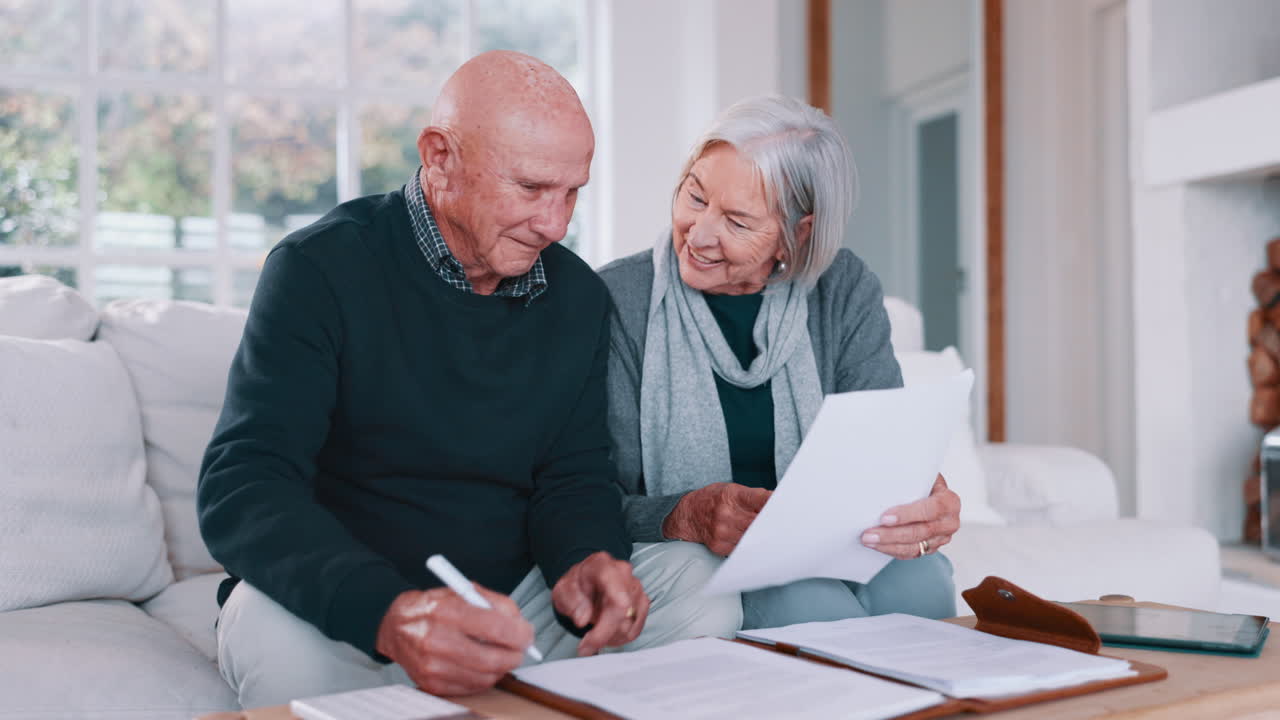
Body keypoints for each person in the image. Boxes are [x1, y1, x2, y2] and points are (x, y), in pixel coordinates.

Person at [198, 51, 740, 709]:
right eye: (531, 188)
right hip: (357, 610)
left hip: (512, 612)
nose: (556, 224)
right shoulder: (319, 268)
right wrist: (390, 614)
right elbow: (243, 487)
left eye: (572, 192)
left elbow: (572, 475)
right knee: (271, 633)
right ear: (440, 158)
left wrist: (586, 560)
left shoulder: (576, 296)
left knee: (698, 581)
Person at [598, 95, 962, 630]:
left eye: (737, 222)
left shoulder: (843, 289)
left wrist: (922, 500)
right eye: (694, 196)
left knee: (921, 580)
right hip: (699, 559)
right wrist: (685, 514)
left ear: (799, 233)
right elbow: (585, 494)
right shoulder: (617, 300)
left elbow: (881, 453)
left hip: (831, 541)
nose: (699, 233)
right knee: (808, 603)